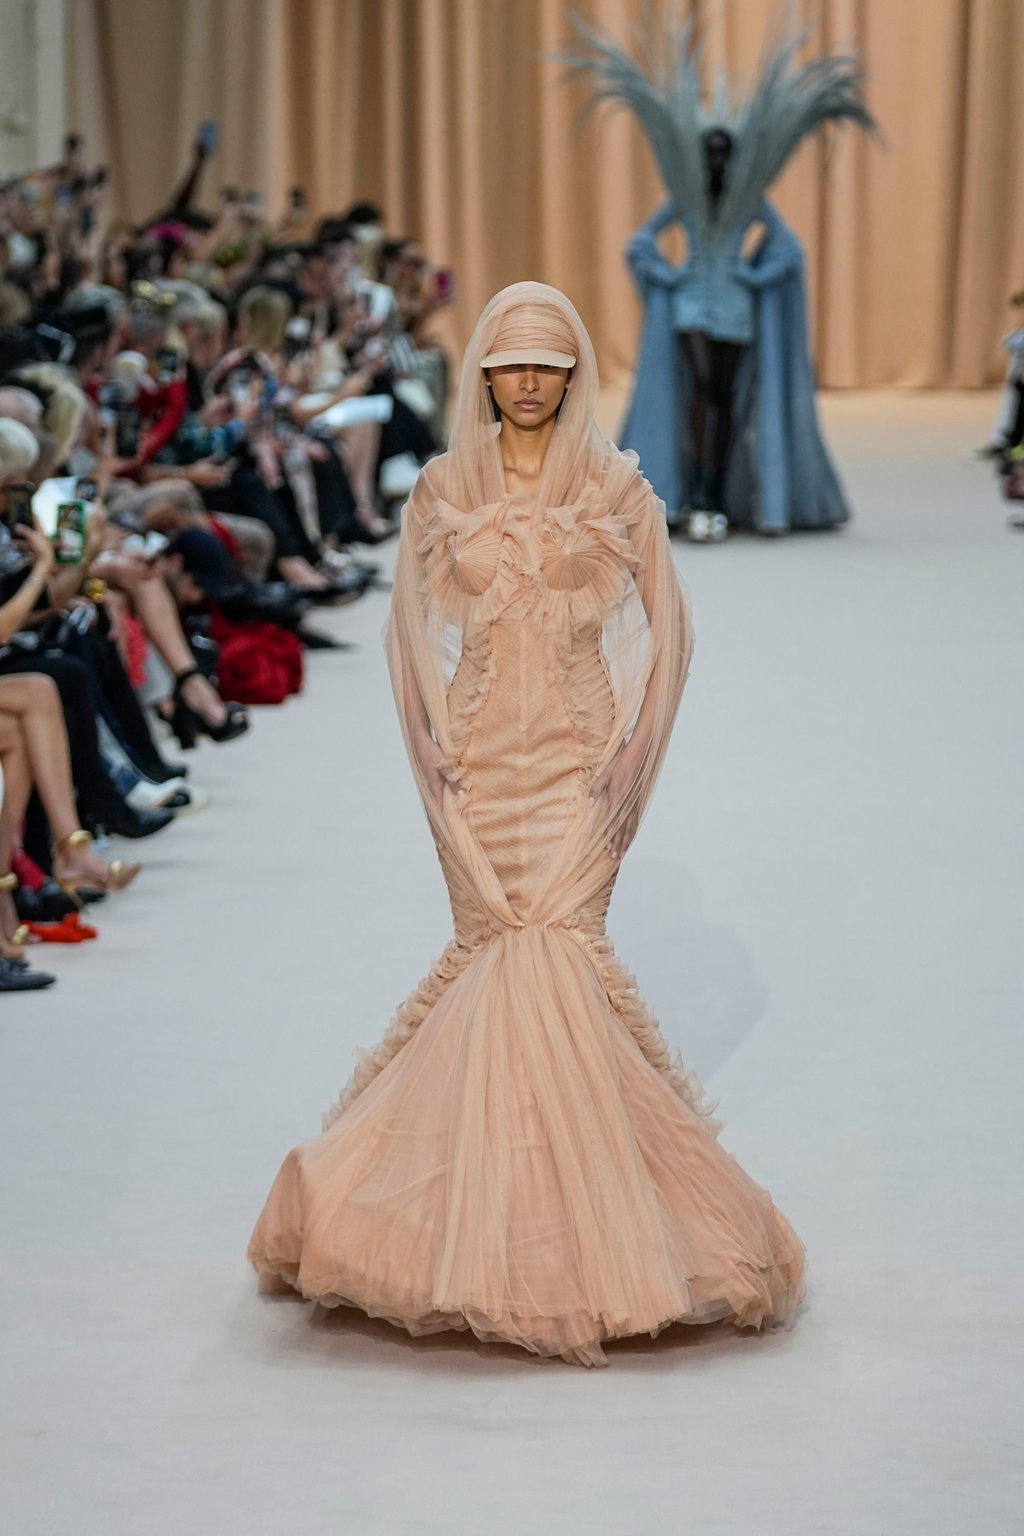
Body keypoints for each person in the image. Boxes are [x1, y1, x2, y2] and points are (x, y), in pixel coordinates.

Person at [248, 282, 806, 1367]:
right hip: (472, 764)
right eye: (511, 363)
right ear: (485, 376)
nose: (530, 381)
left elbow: (670, 631)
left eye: (548, 364)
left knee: (563, 950)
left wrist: (634, 761)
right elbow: (408, 636)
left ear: (573, 373)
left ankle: (588, 1241)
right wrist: (428, 758)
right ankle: (468, 1229)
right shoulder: (443, 487)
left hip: (578, 763)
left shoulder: (615, 485)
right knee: (485, 952)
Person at [562, 13, 875, 540]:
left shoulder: (748, 200)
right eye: (709, 152)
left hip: (734, 308)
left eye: (723, 153)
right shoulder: (684, 199)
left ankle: (713, 485)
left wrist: (752, 278)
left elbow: (790, 250)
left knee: (724, 398)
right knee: (702, 391)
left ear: (733, 157)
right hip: (692, 305)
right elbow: (640, 241)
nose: (715, 160)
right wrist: (667, 277)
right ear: (699, 155)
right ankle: (699, 491)